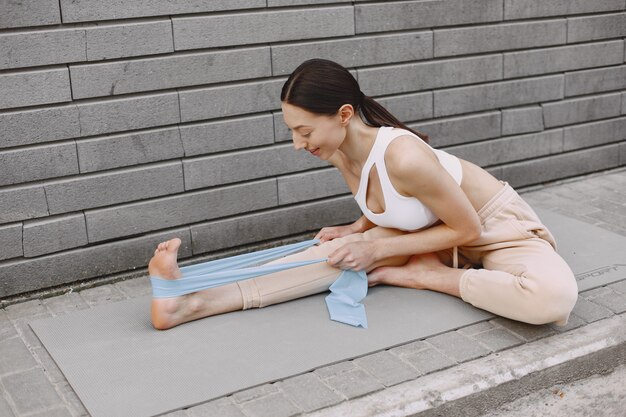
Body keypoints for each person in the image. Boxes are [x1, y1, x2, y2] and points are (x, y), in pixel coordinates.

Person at [148, 58, 578, 330]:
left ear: (344, 114)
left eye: (304, 131)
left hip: (493, 228)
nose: (299, 144)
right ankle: (189, 303)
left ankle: (428, 274)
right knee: (331, 255)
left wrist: (386, 256)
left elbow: (468, 225)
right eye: (292, 133)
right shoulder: (338, 151)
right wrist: (357, 228)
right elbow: (397, 205)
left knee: (553, 299)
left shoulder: (404, 156)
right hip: (430, 232)